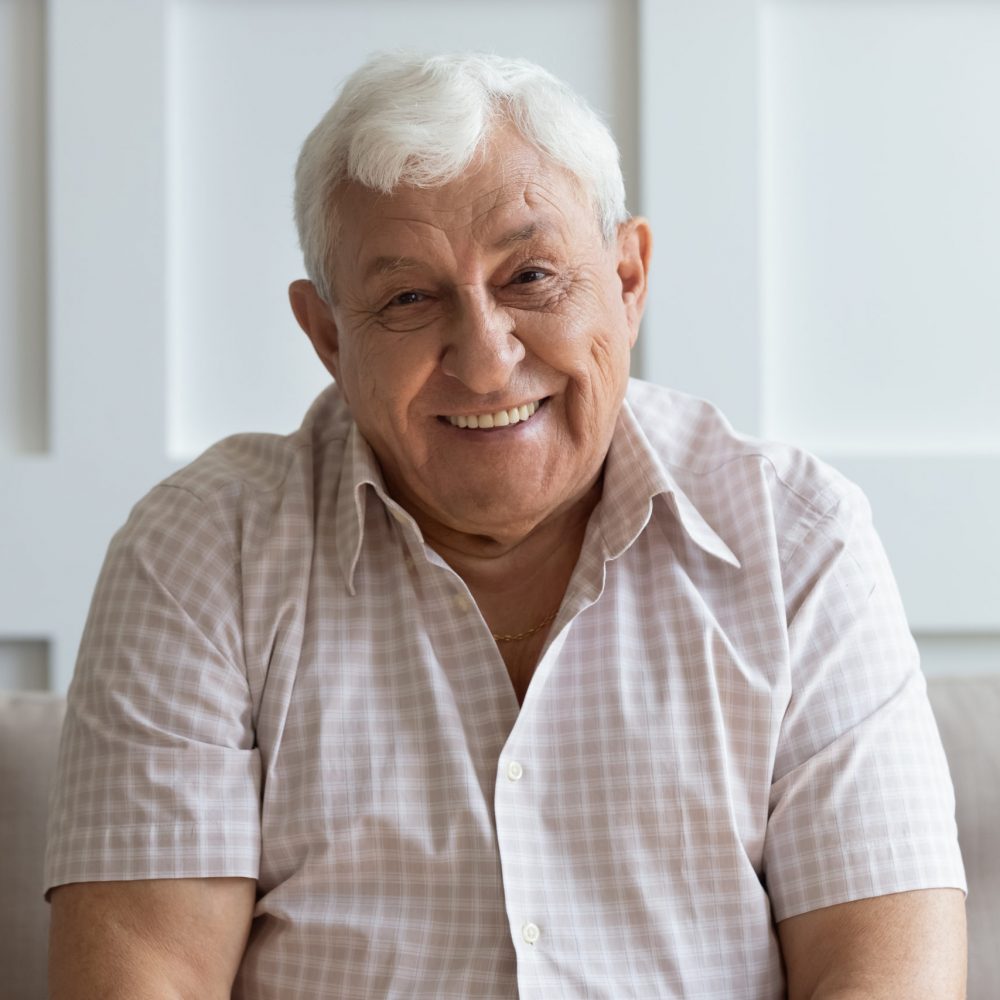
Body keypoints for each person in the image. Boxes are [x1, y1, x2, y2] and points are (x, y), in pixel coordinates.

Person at [45, 52, 966, 999]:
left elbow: (884, 973)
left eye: (531, 276)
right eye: (409, 297)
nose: (486, 362)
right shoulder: (201, 552)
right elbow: (143, 976)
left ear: (628, 277)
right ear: (327, 335)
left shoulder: (800, 541)